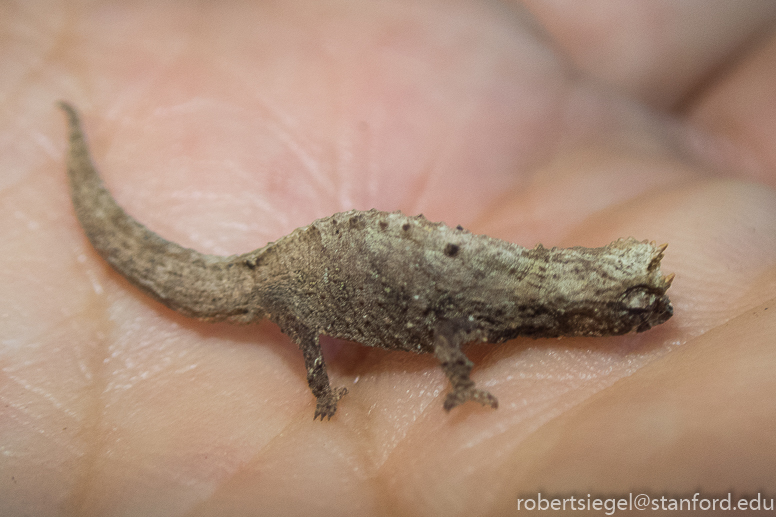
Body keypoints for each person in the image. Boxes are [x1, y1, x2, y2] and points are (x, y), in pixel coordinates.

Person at [2, 1, 775, 514]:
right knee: (297, 320)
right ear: (591, 310)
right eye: (630, 305)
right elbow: (451, 332)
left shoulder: (531, 289)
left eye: (632, 300)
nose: (643, 314)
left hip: (342, 267)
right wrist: (457, 385)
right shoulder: (510, 301)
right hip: (306, 281)